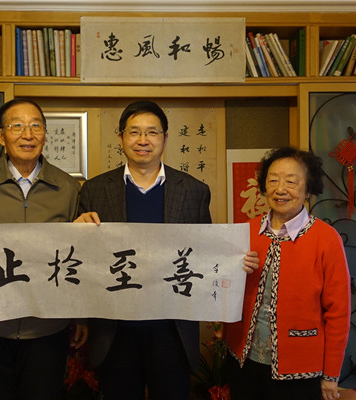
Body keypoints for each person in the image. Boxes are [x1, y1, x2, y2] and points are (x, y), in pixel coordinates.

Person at [75, 100, 259, 400]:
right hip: (115, 329)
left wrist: (235, 260)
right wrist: (76, 232)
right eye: (134, 132)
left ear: (165, 138)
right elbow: (83, 261)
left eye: (152, 132)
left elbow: (205, 252)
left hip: (171, 330)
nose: (143, 140)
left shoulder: (193, 190)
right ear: (121, 137)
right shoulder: (95, 190)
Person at [0, 98, 87, 400]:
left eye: (36, 126)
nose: (28, 134)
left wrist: (80, 316)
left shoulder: (67, 188)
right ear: (1, 136)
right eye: (17, 126)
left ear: (45, 134)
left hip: (47, 324)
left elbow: (76, 258)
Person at [224, 147, 351, 400]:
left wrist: (331, 375)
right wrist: (232, 271)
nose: (280, 189)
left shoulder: (326, 239)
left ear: (308, 189)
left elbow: (339, 313)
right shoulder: (245, 231)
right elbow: (223, 290)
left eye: (291, 182)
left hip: (301, 370)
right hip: (244, 362)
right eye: (273, 180)